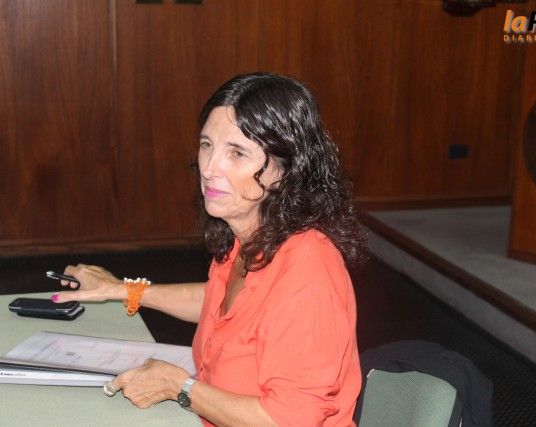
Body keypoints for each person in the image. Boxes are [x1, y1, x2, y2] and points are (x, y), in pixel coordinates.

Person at [52, 72, 367, 426]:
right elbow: (221, 304)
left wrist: (179, 387)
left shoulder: (309, 272)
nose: (210, 168)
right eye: (207, 145)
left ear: (285, 170)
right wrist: (123, 290)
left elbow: (287, 421)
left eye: (237, 153)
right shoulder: (249, 235)